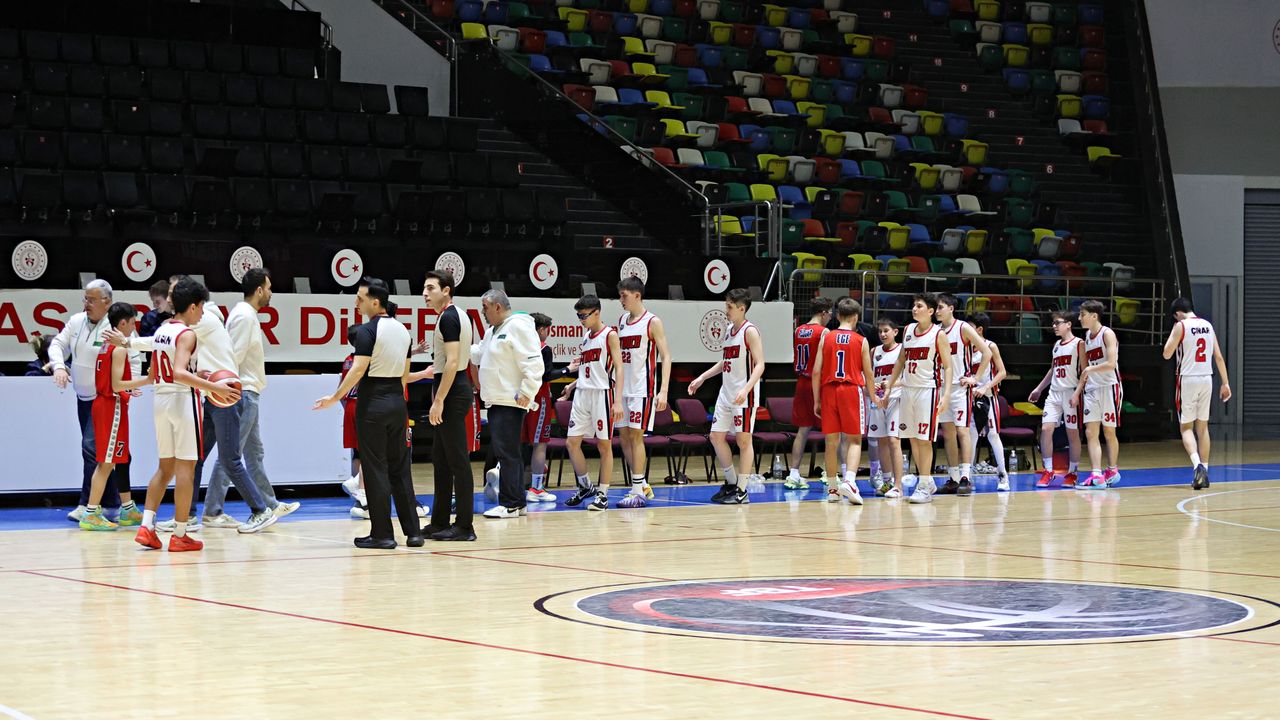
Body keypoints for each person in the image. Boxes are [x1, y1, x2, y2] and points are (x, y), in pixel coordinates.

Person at [110, 277, 284, 534]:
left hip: (224, 391)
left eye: (173, 293)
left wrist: (128, 342)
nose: (170, 298)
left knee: (230, 459)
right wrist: (128, 342)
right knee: (196, 458)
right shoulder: (182, 325)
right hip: (209, 392)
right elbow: (162, 341)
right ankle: (187, 515)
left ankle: (261, 510)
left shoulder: (200, 321)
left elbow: (163, 343)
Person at [134, 278, 242, 552]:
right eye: (202, 307)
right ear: (192, 306)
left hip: (160, 400)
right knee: (186, 469)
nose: (203, 313)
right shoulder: (187, 334)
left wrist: (197, 374)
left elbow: (159, 372)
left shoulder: (162, 330)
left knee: (164, 467)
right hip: (183, 401)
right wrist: (214, 387)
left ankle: (146, 527)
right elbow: (179, 373)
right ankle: (180, 534)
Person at [314, 278, 422, 549]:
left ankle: (382, 535)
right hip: (397, 402)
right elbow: (405, 376)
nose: (356, 303)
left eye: (360, 299)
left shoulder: (366, 331)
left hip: (373, 402)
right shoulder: (403, 330)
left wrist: (334, 397)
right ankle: (414, 533)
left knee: (375, 469)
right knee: (400, 469)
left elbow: (358, 369)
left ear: (375, 302)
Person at [49, 279, 139, 522]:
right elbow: (57, 344)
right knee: (106, 454)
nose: (86, 303)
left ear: (106, 302)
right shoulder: (76, 321)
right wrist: (59, 366)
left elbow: (134, 359)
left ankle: (89, 507)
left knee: (102, 453)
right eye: (85, 298)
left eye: (91, 299)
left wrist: (130, 388)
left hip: (108, 400)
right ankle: (113, 505)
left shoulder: (118, 329)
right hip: (84, 399)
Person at [79, 303, 155, 531]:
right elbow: (116, 384)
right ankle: (90, 513)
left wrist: (129, 388)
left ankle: (127, 509)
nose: (134, 327)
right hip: (111, 406)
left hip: (107, 403)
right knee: (107, 462)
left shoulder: (105, 345)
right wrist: (147, 380)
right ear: (122, 323)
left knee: (117, 458)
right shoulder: (119, 349)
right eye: (132, 323)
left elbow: (114, 382)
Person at [688, 288, 766, 506]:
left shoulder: (750, 331)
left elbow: (760, 364)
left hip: (744, 395)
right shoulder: (730, 330)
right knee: (715, 437)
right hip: (726, 393)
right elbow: (726, 361)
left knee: (743, 440)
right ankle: (731, 483)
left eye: (730, 307)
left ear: (742, 308)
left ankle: (742, 490)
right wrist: (703, 377)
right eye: (726, 305)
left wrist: (746, 389)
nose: (726, 310)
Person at [473, 289, 545, 518]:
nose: (482, 312)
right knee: (507, 453)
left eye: (485, 307)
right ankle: (518, 503)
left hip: (510, 401)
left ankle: (511, 503)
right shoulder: (493, 331)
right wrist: (458, 344)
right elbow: (478, 354)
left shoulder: (519, 326)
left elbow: (534, 363)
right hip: (496, 401)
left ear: (497, 306)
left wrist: (527, 391)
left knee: (507, 454)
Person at [877, 293, 951, 504]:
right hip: (908, 390)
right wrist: (890, 386)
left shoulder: (938, 334)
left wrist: (946, 395)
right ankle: (927, 481)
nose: (914, 309)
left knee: (924, 440)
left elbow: (948, 366)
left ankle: (924, 485)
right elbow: (901, 361)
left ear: (930, 311)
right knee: (912, 439)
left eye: (919, 306)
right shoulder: (908, 330)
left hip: (928, 390)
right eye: (914, 306)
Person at [420, 270, 479, 540]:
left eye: (431, 288)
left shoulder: (450, 317)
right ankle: (440, 522)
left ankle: (465, 526)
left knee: (457, 461)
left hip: (453, 392)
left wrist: (439, 400)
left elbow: (453, 362)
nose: (425, 293)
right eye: (424, 288)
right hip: (453, 389)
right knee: (441, 460)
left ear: (446, 290)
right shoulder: (455, 315)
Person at [562, 295, 625, 512]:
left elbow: (619, 368)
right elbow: (588, 369)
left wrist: (618, 401)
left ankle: (603, 494)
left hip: (602, 394)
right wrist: (572, 386)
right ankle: (585, 486)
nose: (580, 319)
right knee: (571, 443)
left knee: (604, 445)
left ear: (597, 313)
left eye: (583, 315)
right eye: (578, 316)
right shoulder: (586, 336)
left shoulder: (610, 335)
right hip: (582, 393)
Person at [1162, 297, 1232, 490]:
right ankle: (1206, 472)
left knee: (1186, 428)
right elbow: (1218, 356)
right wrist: (1225, 383)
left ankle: (1197, 465)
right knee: (1203, 428)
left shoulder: (1181, 326)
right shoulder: (1208, 325)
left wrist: (1174, 334)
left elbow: (1166, 354)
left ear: (1177, 313)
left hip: (1188, 379)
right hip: (1207, 378)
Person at [614, 277, 672, 508]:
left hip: (641, 389)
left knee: (636, 436)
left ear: (637, 295)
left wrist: (663, 390)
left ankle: (637, 490)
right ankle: (642, 484)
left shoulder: (652, 321)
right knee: (624, 437)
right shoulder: (621, 321)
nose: (621, 300)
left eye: (624, 295)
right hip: (622, 389)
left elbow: (666, 356)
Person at [811, 298, 875, 505]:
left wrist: (816, 400)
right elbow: (868, 374)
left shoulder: (826, 337)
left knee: (831, 442)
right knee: (854, 440)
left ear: (838, 316)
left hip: (829, 390)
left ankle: (832, 489)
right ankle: (849, 481)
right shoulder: (861, 340)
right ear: (856, 317)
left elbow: (816, 372)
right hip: (850, 390)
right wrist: (874, 396)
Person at [934, 294, 989, 497]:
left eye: (940, 307)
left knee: (962, 432)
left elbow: (986, 352)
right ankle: (954, 478)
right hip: (942, 388)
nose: (937, 311)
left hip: (959, 388)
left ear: (951, 308)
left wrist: (976, 378)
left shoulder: (963, 328)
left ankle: (966, 476)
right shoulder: (936, 331)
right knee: (947, 434)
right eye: (935, 308)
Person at [523, 312, 577, 504]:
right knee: (540, 444)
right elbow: (546, 376)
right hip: (538, 399)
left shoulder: (520, 347)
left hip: (521, 398)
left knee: (523, 443)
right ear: (541, 330)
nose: (549, 333)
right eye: (548, 330)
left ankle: (514, 483)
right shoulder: (543, 348)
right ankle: (536, 488)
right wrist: (568, 369)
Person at [1028, 310, 1084, 489]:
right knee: (1046, 429)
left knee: (1072, 433)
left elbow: (1085, 371)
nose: (1054, 326)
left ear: (1068, 324)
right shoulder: (1057, 345)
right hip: (1054, 393)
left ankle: (1072, 472)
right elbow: (1053, 369)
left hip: (1070, 392)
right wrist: (1038, 389)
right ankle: (1048, 471)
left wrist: (1078, 393)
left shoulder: (1079, 344)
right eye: (1053, 323)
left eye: (1057, 323)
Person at [1074, 299, 1123, 490]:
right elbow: (1086, 368)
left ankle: (1112, 470)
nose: (1080, 318)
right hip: (1092, 388)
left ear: (1094, 316)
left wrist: (1089, 369)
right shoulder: (1087, 336)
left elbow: (1111, 364)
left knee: (1109, 431)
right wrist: (1079, 389)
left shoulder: (1107, 334)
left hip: (1109, 387)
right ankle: (1096, 475)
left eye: (1083, 315)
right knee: (1090, 432)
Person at [785, 296, 832, 490]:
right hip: (817, 384)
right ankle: (829, 473)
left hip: (801, 383)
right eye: (830, 313)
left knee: (802, 430)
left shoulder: (798, 330)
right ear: (823, 313)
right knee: (830, 431)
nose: (831, 317)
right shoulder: (824, 332)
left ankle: (793, 474)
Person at [966, 314, 1010, 491]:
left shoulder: (990, 346)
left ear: (979, 329)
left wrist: (985, 387)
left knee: (993, 435)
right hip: (969, 398)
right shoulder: (965, 349)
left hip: (988, 397)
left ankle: (1003, 475)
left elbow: (1002, 372)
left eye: (970, 327)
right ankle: (967, 477)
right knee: (971, 437)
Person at [868, 318, 903, 498]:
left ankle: (898, 485)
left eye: (886, 331)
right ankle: (887, 482)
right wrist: (871, 386)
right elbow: (868, 375)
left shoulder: (902, 350)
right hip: (878, 400)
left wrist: (890, 384)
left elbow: (909, 378)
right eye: (880, 331)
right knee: (881, 441)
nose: (882, 334)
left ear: (895, 332)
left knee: (893, 440)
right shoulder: (874, 352)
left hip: (896, 398)